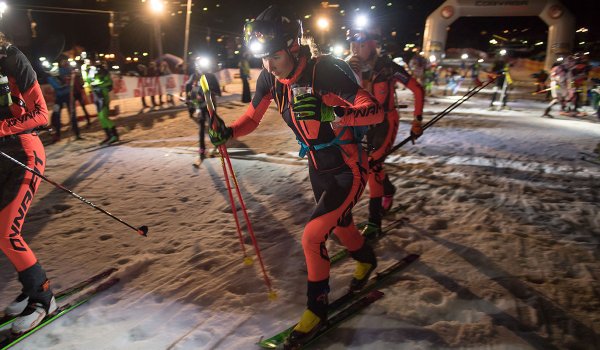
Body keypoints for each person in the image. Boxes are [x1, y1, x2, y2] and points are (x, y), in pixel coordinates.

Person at [208, 6, 384, 348]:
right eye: (263, 58)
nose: (269, 66)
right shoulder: (269, 77)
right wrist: (227, 132)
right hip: (317, 167)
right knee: (343, 224)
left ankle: (316, 310)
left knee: (312, 237)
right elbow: (252, 119)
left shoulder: (327, 70)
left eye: (274, 56)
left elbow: (373, 111)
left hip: (349, 166)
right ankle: (366, 260)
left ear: (292, 46)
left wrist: (332, 111)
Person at [0, 34, 57, 334]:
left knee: (7, 233)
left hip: (24, 152)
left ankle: (44, 299)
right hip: (1, 157)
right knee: (2, 234)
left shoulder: (12, 59)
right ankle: (29, 288)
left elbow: (41, 115)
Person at [346, 27, 424, 237]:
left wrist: (417, 121)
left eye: (360, 45)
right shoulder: (346, 66)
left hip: (385, 122)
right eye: (352, 45)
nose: (355, 49)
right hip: (361, 124)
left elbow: (418, 89)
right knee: (368, 165)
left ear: (372, 45)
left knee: (372, 166)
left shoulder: (387, 67)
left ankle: (374, 222)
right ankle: (388, 190)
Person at [185, 58, 221, 161]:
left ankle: (217, 145)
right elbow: (189, 88)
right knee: (201, 127)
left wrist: (210, 91)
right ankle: (202, 149)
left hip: (210, 105)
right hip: (200, 106)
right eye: (199, 66)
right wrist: (189, 98)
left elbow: (218, 91)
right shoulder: (194, 77)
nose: (200, 68)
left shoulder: (211, 76)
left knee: (212, 126)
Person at [47, 57, 82, 142]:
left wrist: (74, 74)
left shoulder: (64, 70)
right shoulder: (50, 77)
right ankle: (57, 134)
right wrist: (66, 82)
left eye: (65, 62)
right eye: (63, 62)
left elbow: (75, 74)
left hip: (68, 96)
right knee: (56, 114)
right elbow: (58, 86)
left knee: (72, 114)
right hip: (59, 98)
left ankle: (77, 134)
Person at [87, 65, 118, 145]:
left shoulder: (102, 71)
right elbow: (89, 81)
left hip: (103, 96)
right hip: (97, 97)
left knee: (103, 116)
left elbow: (109, 82)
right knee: (101, 118)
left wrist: (100, 85)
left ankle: (114, 135)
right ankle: (108, 136)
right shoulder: (90, 71)